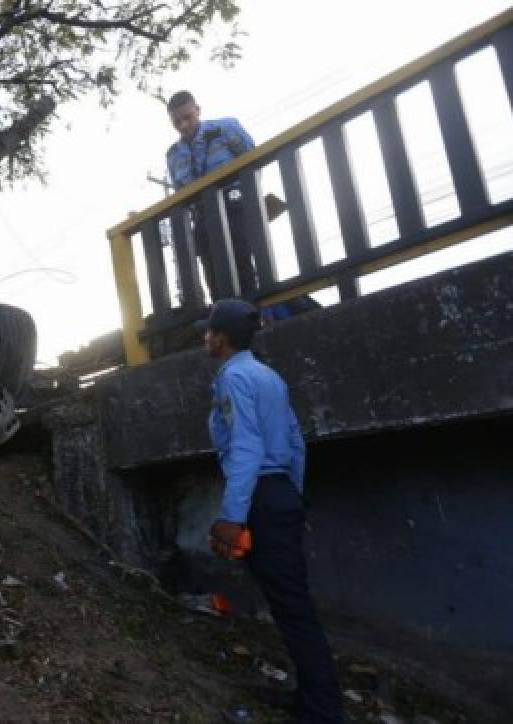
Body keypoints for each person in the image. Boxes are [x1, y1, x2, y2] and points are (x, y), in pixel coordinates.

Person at [200, 299, 344, 723]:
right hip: (278, 492)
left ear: (220, 337)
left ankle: (323, 711)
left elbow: (246, 446)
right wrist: (291, 496)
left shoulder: (233, 378)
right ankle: (312, 699)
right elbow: (295, 441)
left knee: (292, 608)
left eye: (208, 332)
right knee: (291, 604)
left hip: (262, 495)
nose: (205, 338)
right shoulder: (268, 375)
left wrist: (233, 515)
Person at [165, 90, 259, 298]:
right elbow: (181, 195)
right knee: (214, 279)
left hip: (234, 207)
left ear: (198, 110)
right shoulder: (173, 155)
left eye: (187, 117)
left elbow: (253, 160)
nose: (183, 126)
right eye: (176, 121)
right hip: (202, 219)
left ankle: (256, 313)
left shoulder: (226, 128)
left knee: (244, 268)